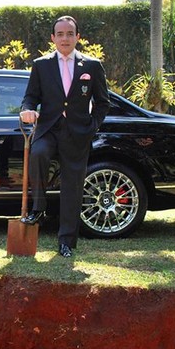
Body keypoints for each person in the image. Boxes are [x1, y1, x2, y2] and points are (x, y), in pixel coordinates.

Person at [19, 15, 110, 258]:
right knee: (38, 154)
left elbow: (103, 103)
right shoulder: (41, 65)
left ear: (78, 37)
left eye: (70, 34)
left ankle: (66, 241)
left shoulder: (91, 66)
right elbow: (30, 97)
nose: (65, 38)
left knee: (73, 186)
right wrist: (27, 110)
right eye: (60, 34)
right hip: (48, 128)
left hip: (77, 133)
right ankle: (38, 207)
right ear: (53, 38)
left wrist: (91, 127)